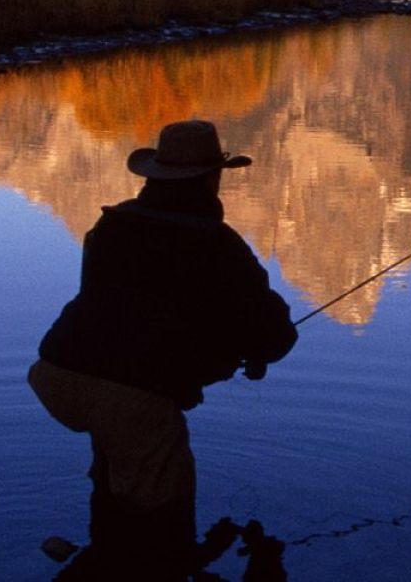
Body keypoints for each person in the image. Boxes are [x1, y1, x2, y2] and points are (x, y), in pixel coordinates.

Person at [29, 118, 298, 579]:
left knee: (115, 477)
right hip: (130, 395)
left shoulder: (111, 227)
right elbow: (273, 333)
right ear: (210, 178)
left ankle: (103, 556)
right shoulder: (216, 244)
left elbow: (120, 316)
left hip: (58, 374)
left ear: (156, 176)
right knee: (163, 516)